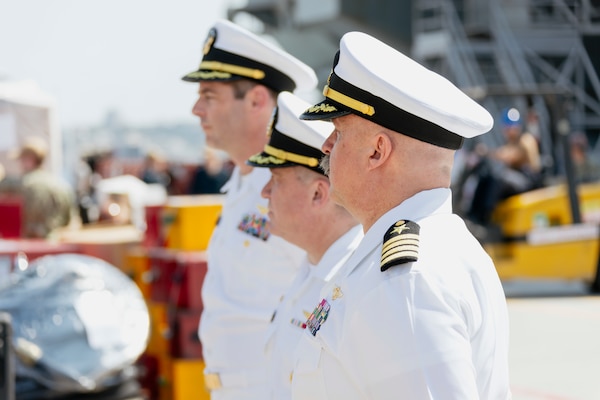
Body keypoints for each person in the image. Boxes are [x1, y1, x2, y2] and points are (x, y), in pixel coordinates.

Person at [291, 31, 511, 399]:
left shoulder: (406, 282)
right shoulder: (421, 255)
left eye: (338, 132)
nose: (326, 145)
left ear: (377, 152)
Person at [181, 19, 318, 399]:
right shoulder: (242, 183)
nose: (196, 109)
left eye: (209, 96)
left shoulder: (295, 190)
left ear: (258, 100)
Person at [246, 91, 363, 400]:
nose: (265, 192)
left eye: (276, 180)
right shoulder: (312, 269)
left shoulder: (357, 282)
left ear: (317, 194)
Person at [467, 107, 542, 225]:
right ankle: (473, 215)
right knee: (486, 177)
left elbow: (509, 155)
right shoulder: (511, 142)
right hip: (517, 180)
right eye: (508, 126)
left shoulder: (526, 140)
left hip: (528, 181)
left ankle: (486, 217)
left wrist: (486, 152)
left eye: (512, 126)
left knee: (499, 177)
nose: (510, 130)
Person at [0, 136, 75, 238]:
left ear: (29, 159)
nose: (20, 165)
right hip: (57, 244)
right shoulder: (62, 185)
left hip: (31, 246)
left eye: (21, 160)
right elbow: (71, 221)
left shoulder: (21, 184)